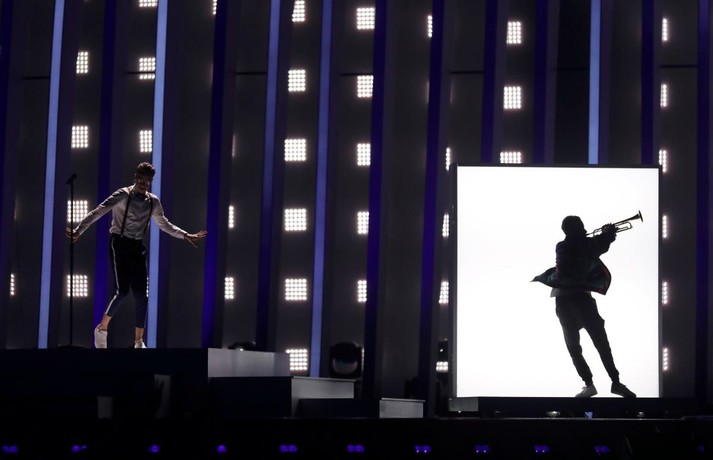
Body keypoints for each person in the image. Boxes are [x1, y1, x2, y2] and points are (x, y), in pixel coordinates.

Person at [65, 162, 207, 349]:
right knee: (122, 291)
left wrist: (185, 235)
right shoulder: (122, 194)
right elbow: (98, 211)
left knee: (142, 296)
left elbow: (164, 224)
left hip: (137, 247)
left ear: (150, 183)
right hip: (119, 243)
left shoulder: (153, 202)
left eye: (146, 181)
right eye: (140, 180)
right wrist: (79, 230)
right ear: (135, 178)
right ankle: (102, 329)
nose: (143, 184)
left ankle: (139, 341)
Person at [532, 215, 636, 398]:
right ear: (575, 229)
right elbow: (597, 246)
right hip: (578, 299)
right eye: (581, 227)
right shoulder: (571, 246)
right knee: (598, 343)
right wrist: (607, 234)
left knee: (576, 346)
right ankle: (613, 383)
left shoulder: (571, 245)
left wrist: (606, 235)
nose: (585, 229)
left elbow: (597, 246)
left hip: (564, 300)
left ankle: (592, 385)